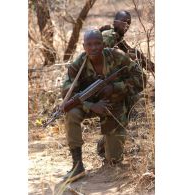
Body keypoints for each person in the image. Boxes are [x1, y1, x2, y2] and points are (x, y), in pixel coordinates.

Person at [61, 29, 146, 182]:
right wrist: (90, 106)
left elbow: (141, 79)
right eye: (89, 44)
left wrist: (115, 87)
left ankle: (103, 144)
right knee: (71, 111)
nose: (93, 48)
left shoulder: (117, 57)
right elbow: (67, 94)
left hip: (114, 105)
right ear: (84, 46)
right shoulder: (77, 65)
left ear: (103, 44)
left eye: (97, 43)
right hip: (89, 104)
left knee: (113, 161)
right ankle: (77, 166)